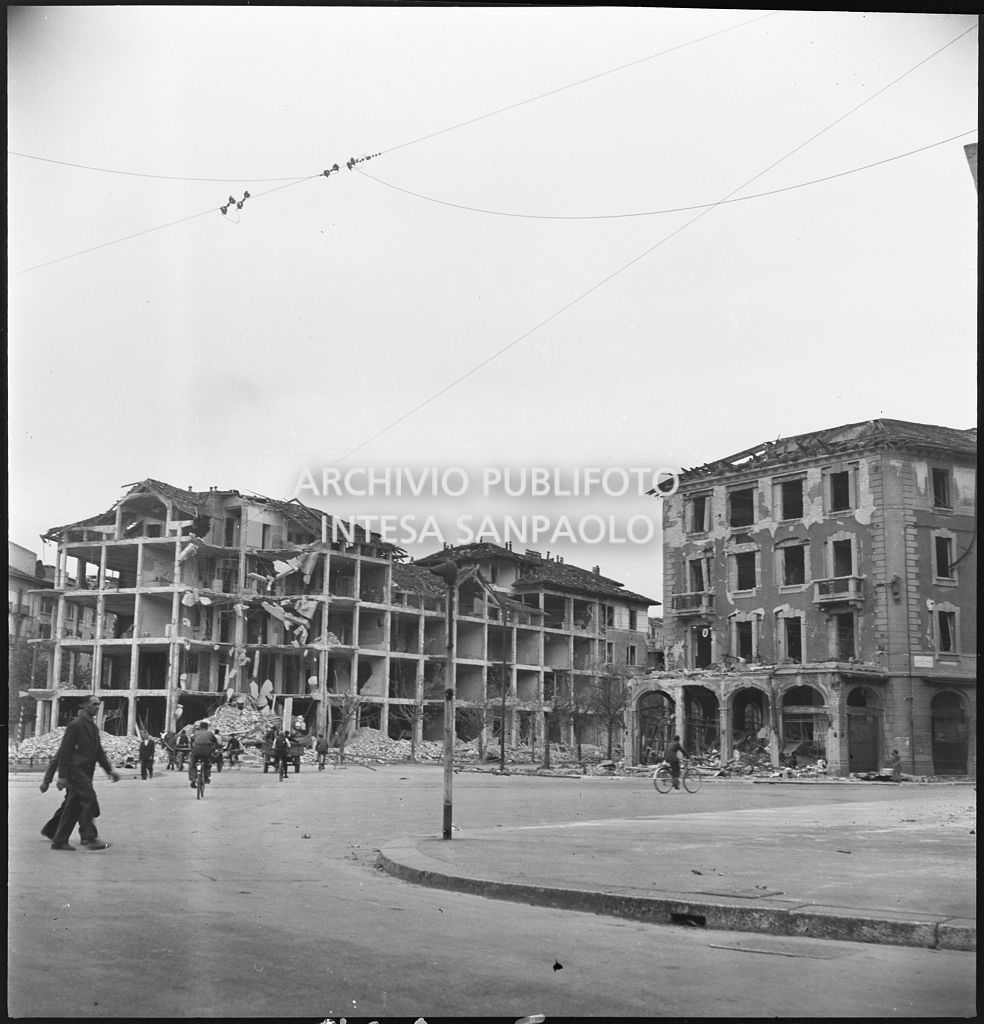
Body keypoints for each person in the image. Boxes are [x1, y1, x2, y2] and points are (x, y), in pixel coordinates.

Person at [49, 694, 120, 851]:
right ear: (85, 705)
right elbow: (65, 751)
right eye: (94, 704)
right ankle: (89, 838)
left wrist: (109, 770)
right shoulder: (75, 725)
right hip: (76, 771)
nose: (97, 707)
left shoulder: (93, 727)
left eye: (98, 704)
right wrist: (62, 776)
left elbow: (98, 752)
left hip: (86, 772)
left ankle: (59, 841)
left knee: (73, 806)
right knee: (89, 799)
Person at [188, 720, 218, 788]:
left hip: (196, 750)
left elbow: (191, 740)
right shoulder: (210, 733)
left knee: (192, 764)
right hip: (207, 751)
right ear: (207, 727)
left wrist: (192, 748)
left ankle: (193, 778)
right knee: (208, 764)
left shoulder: (196, 733)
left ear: (200, 727)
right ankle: (206, 778)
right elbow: (215, 741)